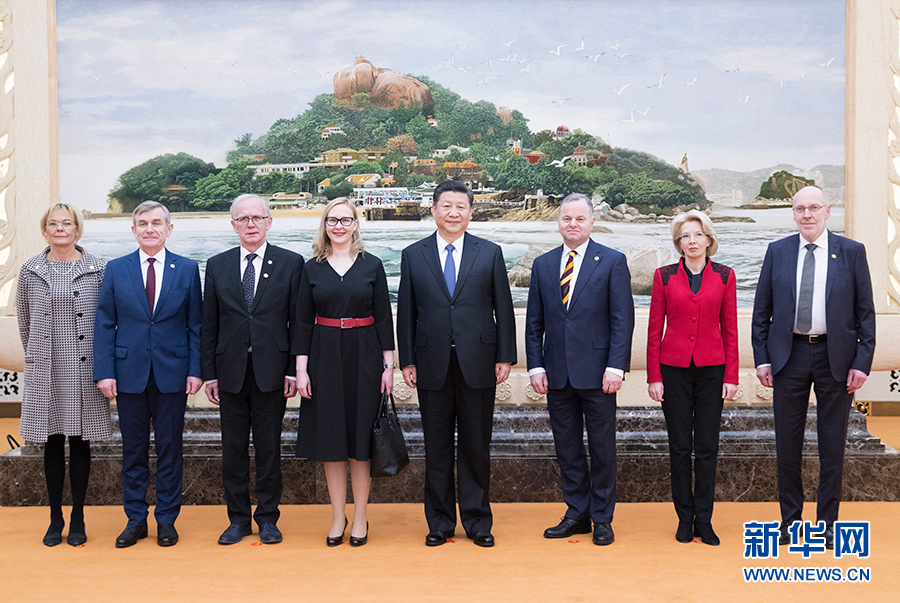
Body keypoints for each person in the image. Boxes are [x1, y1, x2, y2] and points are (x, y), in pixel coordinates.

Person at [752, 186, 875, 550]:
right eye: (800, 208)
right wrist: (762, 358)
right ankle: (790, 520)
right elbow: (761, 312)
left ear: (827, 211)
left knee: (832, 445)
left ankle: (828, 523)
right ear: (793, 213)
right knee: (787, 444)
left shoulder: (851, 252)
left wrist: (862, 363)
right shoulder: (777, 251)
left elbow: (866, 314)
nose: (807, 214)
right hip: (787, 357)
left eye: (813, 208)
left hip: (835, 359)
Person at [397, 179, 516, 548]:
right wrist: (407, 360)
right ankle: (440, 522)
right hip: (430, 362)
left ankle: (478, 521)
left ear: (470, 212)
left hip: (478, 360)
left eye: (460, 207)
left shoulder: (489, 253)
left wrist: (505, 356)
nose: (453, 213)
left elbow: (504, 308)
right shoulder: (413, 254)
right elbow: (406, 313)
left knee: (476, 445)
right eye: (446, 206)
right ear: (433, 210)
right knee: (436, 446)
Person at [525, 193, 634, 547]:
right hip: (556, 373)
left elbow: (622, 320)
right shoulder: (542, 265)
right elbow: (534, 323)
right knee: (567, 448)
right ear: (559, 222)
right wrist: (535, 366)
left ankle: (602, 518)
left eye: (580, 219)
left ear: (591, 222)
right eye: (567, 218)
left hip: (599, 373)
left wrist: (616, 366)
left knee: (602, 448)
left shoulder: (612, 261)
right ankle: (576, 513)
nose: (573, 224)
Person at [94, 201, 203, 548]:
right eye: (143, 223)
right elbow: (105, 323)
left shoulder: (186, 269)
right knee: (133, 450)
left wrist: (196, 370)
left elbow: (195, 325)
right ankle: (135, 519)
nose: (150, 229)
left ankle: (167, 519)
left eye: (157, 222)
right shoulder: (116, 269)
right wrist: (104, 372)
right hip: (128, 374)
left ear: (169, 229)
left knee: (170, 450)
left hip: (173, 373)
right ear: (134, 230)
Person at [201, 194, 303, 546]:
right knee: (233, 450)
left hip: (272, 372)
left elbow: (297, 323)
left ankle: (268, 518)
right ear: (233, 225)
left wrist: (292, 370)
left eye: (257, 218)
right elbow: (209, 323)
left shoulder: (290, 263)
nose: (250, 224)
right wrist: (209, 373)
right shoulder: (217, 265)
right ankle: (238, 519)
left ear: (269, 222)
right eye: (243, 219)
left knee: (269, 448)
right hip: (229, 372)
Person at [294, 197, 394, 547]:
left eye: (345, 220)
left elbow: (384, 319)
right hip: (323, 356)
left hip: (365, 354)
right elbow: (302, 322)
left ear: (355, 224)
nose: (339, 226)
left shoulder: (372, 265)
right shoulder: (311, 268)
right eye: (332, 220)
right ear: (324, 225)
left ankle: (361, 516)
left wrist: (389, 366)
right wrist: (301, 370)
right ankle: (338, 516)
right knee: (332, 441)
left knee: (361, 443)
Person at [17, 203, 108, 547]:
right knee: (52, 442)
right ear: (44, 230)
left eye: (66, 223)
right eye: (53, 223)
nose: (60, 229)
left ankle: (79, 516)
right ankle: (55, 517)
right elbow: (24, 321)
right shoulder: (30, 270)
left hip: (84, 368)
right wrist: (37, 357)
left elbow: (106, 318)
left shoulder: (98, 268)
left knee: (81, 442)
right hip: (47, 367)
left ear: (77, 230)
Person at [646, 210, 738, 546]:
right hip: (673, 370)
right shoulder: (664, 276)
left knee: (708, 447)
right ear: (678, 243)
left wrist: (731, 375)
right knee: (680, 447)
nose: (692, 241)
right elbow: (654, 329)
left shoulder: (725, 275)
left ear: (709, 239)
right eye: (685, 236)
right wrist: (654, 377)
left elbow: (731, 330)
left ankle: (705, 519)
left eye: (698, 234)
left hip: (713, 370)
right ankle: (685, 518)